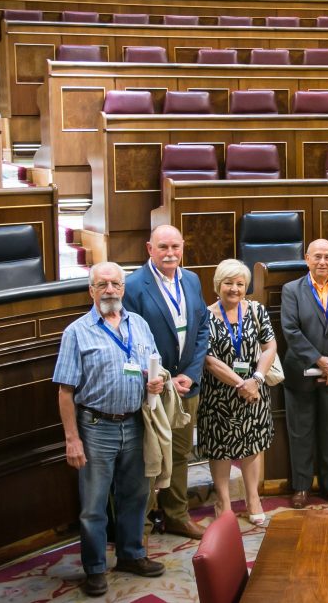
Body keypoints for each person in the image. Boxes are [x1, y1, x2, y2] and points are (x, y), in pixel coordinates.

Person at [54, 262, 167, 597]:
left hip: (135, 423)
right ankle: (95, 568)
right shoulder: (77, 332)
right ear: (91, 290)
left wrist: (155, 380)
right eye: (102, 284)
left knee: (135, 496)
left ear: (123, 288)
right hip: (95, 427)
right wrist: (72, 439)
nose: (110, 290)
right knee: (94, 504)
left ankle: (131, 555)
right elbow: (65, 391)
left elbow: (153, 364)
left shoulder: (140, 324)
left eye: (116, 284)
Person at [122, 225, 210, 540]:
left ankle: (175, 515)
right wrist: (159, 377)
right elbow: (127, 339)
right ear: (149, 248)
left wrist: (192, 372)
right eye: (163, 247)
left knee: (181, 453)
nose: (170, 253)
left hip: (187, 385)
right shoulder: (133, 286)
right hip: (153, 389)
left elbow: (201, 329)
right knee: (148, 457)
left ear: (183, 246)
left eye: (175, 246)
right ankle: (141, 525)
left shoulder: (192, 279)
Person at [198, 259, 277, 526]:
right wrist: (240, 384)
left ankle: (252, 498)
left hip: (255, 391)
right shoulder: (205, 315)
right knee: (220, 447)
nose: (234, 289)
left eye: (240, 284)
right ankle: (223, 501)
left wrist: (255, 379)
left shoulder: (257, 310)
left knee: (252, 444)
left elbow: (269, 347)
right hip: (219, 394)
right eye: (228, 283)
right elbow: (208, 358)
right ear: (217, 286)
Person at [280, 239, 328, 509]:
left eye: (327, 257)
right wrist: (318, 360)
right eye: (317, 257)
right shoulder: (291, 290)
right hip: (300, 372)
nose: (322, 262)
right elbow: (290, 330)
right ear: (307, 258)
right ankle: (301, 488)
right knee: (300, 431)